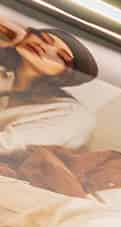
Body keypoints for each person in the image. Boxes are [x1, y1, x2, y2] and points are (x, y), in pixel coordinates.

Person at [0, 17, 96, 154]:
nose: (45, 47)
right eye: (44, 39)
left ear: (65, 74)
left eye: (61, 56)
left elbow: (7, 145)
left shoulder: (72, 115)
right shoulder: (4, 73)